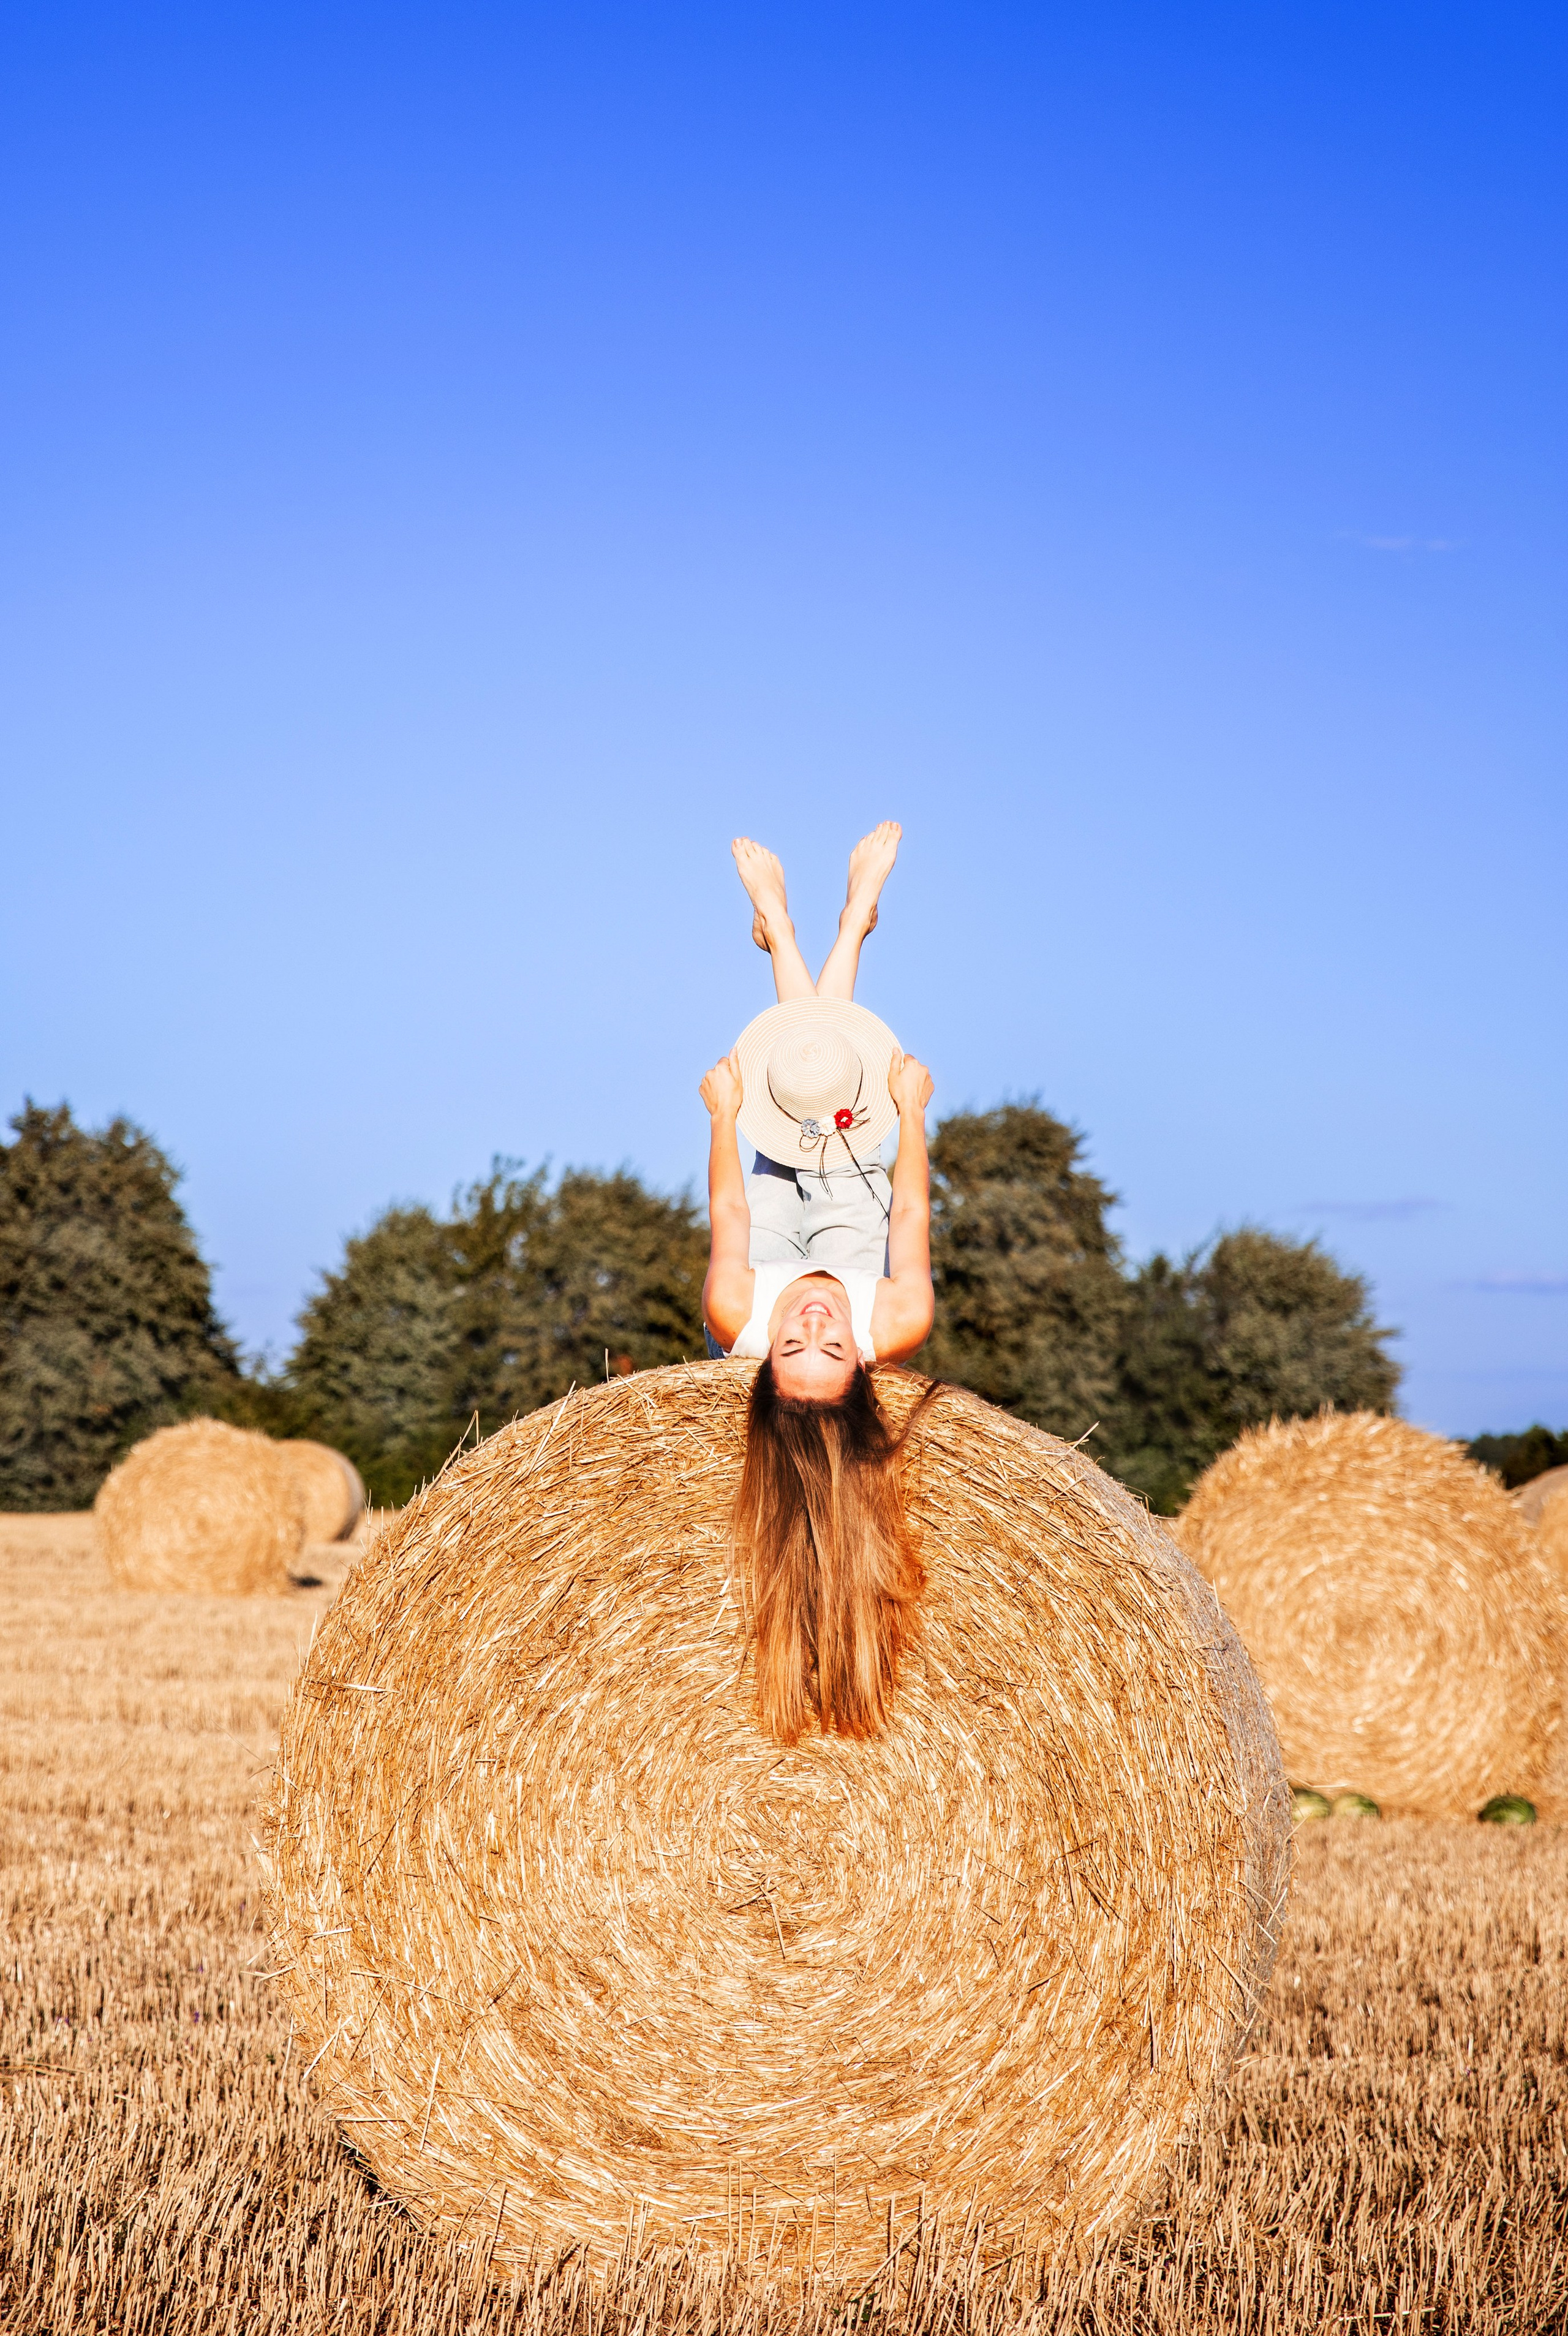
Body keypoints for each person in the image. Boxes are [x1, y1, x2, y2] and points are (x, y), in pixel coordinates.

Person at [698, 824, 941, 1745]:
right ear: (862, 1361)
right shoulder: (896, 1315)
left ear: (760, 1362)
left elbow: (728, 1215)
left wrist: (723, 1119)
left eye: (790, 1346)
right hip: (845, 1239)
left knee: (786, 1100)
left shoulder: (742, 1311)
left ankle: (795, 929)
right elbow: (910, 1221)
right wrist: (914, 1117)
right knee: (829, 1101)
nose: (809, 1320)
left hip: (763, 1239)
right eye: (827, 1345)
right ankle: (841, 927)